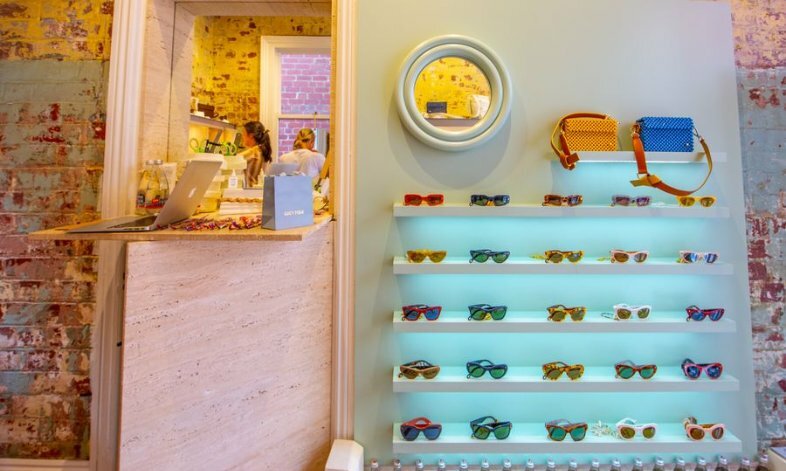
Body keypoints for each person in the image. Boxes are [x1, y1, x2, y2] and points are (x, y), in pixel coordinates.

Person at [237, 121, 272, 187]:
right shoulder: (262, 149)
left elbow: (235, 159)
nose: (242, 137)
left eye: (243, 134)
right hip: (258, 191)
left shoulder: (254, 151)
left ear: (251, 135)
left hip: (250, 192)